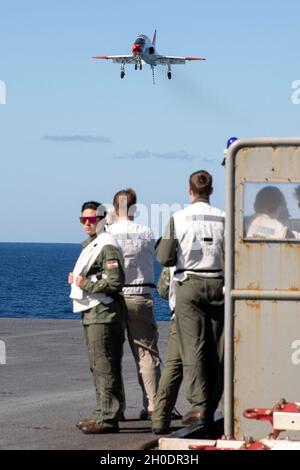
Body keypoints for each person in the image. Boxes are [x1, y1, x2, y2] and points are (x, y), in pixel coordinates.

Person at [156, 170, 225, 430]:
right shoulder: (224, 218)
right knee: (217, 350)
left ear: (189, 191)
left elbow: (164, 257)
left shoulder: (177, 219)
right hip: (218, 284)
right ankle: (211, 406)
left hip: (189, 285)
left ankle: (198, 404)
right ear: (211, 191)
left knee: (192, 347)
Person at [68, 200, 126, 434]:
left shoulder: (106, 246)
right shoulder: (95, 244)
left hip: (102, 313)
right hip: (94, 312)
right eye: (83, 220)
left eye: (91, 219)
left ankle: (108, 417)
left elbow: (114, 281)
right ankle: (106, 410)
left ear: (102, 220)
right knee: (101, 364)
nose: (87, 224)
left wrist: (86, 283)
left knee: (103, 365)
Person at [108, 188, 161, 419]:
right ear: (135, 209)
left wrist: (109, 222)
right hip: (140, 295)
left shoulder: (108, 234)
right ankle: (153, 406)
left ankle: (115, 408)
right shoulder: (147, 233)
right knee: (146, 353)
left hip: (114, 297)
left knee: (111, 354)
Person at [151, 265, 183, 434]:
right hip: (214, 313)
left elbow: (163, 290)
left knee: (174, 367)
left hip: (181, 314)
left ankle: (160, 417)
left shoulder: (174, 253)